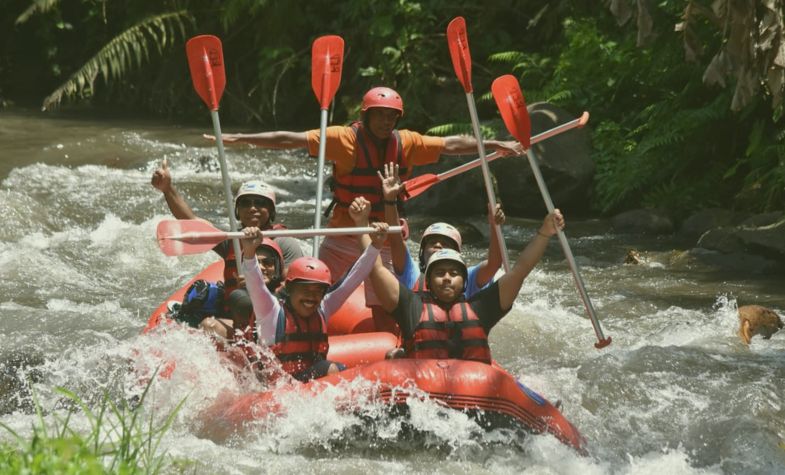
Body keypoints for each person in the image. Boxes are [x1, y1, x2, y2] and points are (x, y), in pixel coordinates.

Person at [206, 87, 522, 307]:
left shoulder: (407, 142)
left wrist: (490, 144)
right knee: (310, 284)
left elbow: (451, 145)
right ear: (366, 114)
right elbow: (291, 140)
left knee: (384, 299)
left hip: (382, 235)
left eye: (392, 116)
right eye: (380, 115)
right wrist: (239, 138)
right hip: (342, 231)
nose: (387, 121)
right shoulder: (343, 139)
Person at [355, 195, 565, 362]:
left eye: (454, 273)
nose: (447, 278)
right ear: (427, 280)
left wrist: (545, 233)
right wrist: (362, 224)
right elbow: (376, 270)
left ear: (464, 281)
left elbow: (520, 270)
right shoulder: (412, 307)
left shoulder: (481, 308)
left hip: (471, 387)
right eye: (439, 273)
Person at [240, 204, 390, 382]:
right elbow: (255, 283)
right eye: (305, 290)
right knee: (332, 369)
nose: (311, 297)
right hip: (275, 390)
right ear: (290, 289)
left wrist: (376, 245)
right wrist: (249, 252)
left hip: (305, 385)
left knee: (340, 369)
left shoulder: (323, 307)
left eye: (317, 291)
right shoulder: (271, 312)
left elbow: (354, 278)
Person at [151, 159, 304, 325]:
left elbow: (295, 288)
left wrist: (258, 285)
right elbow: (191, 220)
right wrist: (167, 189)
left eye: (260, 203)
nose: (252, 208)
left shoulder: (285, 242)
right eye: (246, 203)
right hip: (236, 314)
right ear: (237, 211)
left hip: (271, 316)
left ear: (271, 210)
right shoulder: (231, 239)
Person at [378, 162, 506, 297]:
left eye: (445, 244)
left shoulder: (466, 277)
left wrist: (495, 226)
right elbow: (395, 241)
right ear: (422, 252)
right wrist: (390, 200)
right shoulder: (411, 273)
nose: (438, 246)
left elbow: (494, 264)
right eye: (432, 243)